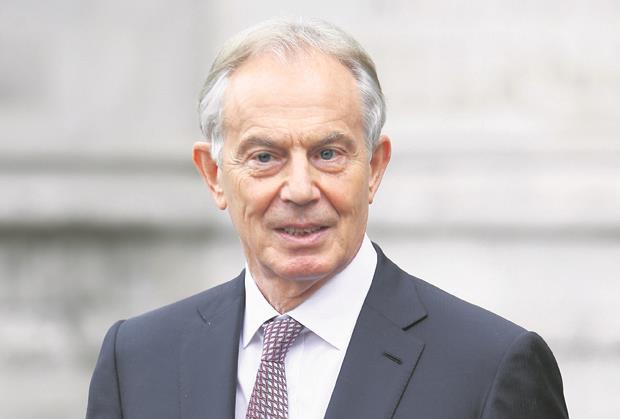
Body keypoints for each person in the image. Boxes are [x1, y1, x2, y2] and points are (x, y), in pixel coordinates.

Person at [86, 18, 569, 419]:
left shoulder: (489, 368)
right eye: (265, 157)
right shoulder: (136, 361)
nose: (300, 189)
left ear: (375, 167)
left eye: (328, 154)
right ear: (214, 175)